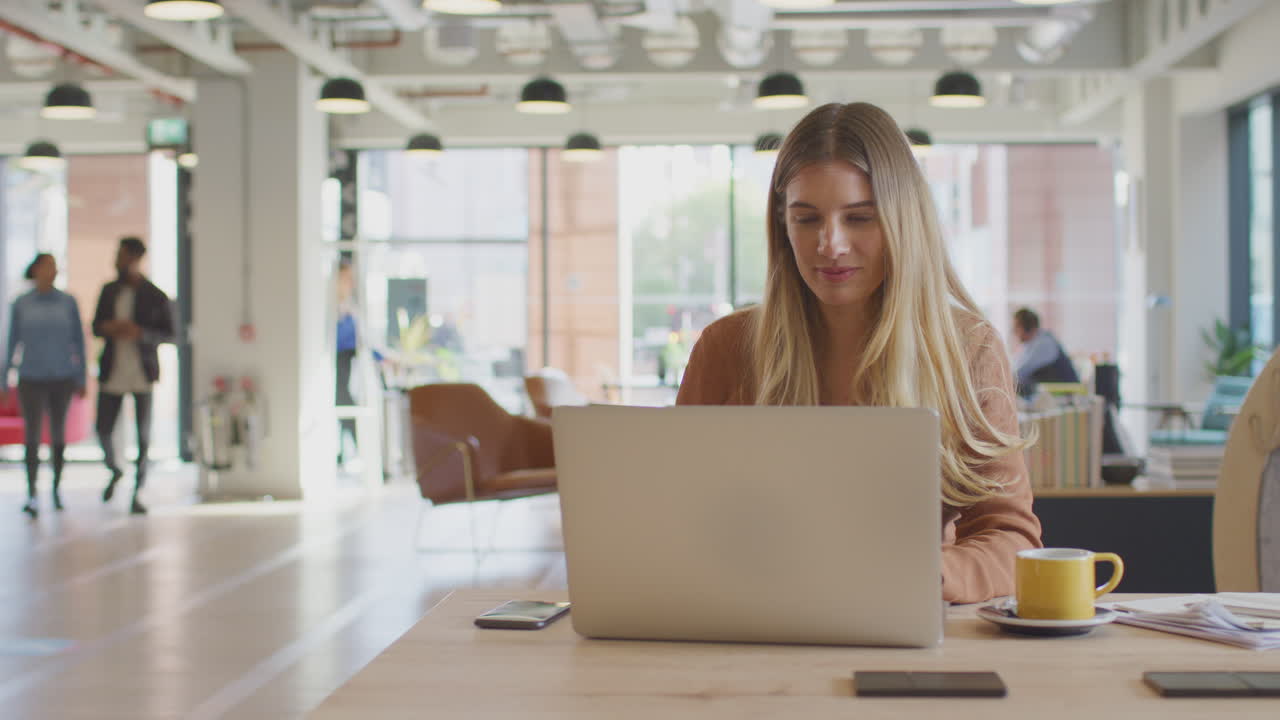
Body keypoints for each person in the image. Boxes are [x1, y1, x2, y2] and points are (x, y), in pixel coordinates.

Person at [675, 102, 1042, 605]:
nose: (831, 245)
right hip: (751, 615)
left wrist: (925, 571)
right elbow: (679, 519)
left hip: (899, 614)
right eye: (806, 219)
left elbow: (1011, 539)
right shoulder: (726, 347)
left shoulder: (967, 349)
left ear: (902, 222)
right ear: (782, 227)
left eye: (859, 218)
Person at [92, 237, 175, 515]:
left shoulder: (155, 295)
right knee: (103, 427)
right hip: (113, 368)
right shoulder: (109, 291)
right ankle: (115, 469)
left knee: (143, 435)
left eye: (123, 255)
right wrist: (110, 327)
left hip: (142, 371)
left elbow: (171, 334)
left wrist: (141, 334)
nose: (119, 260)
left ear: (136, 258)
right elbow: (96, 326)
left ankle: (138, 490)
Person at [2, 254, 86, 518]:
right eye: (47, 264)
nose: (52, 269)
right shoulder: (22, 303)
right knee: (32, 435)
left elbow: (79, 342)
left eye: (54, 265)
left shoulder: (68, 302)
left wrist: (81, 377)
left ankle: (57, 489)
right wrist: (4, 380)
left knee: (58, 436)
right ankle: (32, 493)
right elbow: (11, 343)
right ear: (36, 269)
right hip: (31, 378)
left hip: (62, 377)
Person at [1011, 307, 1079, 398]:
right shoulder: (1030, 344)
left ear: (1027, 327)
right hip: (1052, 397)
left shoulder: (1044, 343)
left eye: (1016, 327)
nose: (1014, 332)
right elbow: (1016, 367)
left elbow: (1021, 372)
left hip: (1067, 397)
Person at [336, 258, 358, 466]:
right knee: (345, 406)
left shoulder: (347, 308)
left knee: (346, 407)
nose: (351, 284)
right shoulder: (334, 310)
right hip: (336, 363)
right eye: (347, 278)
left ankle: (342, 454)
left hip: (346, 362)